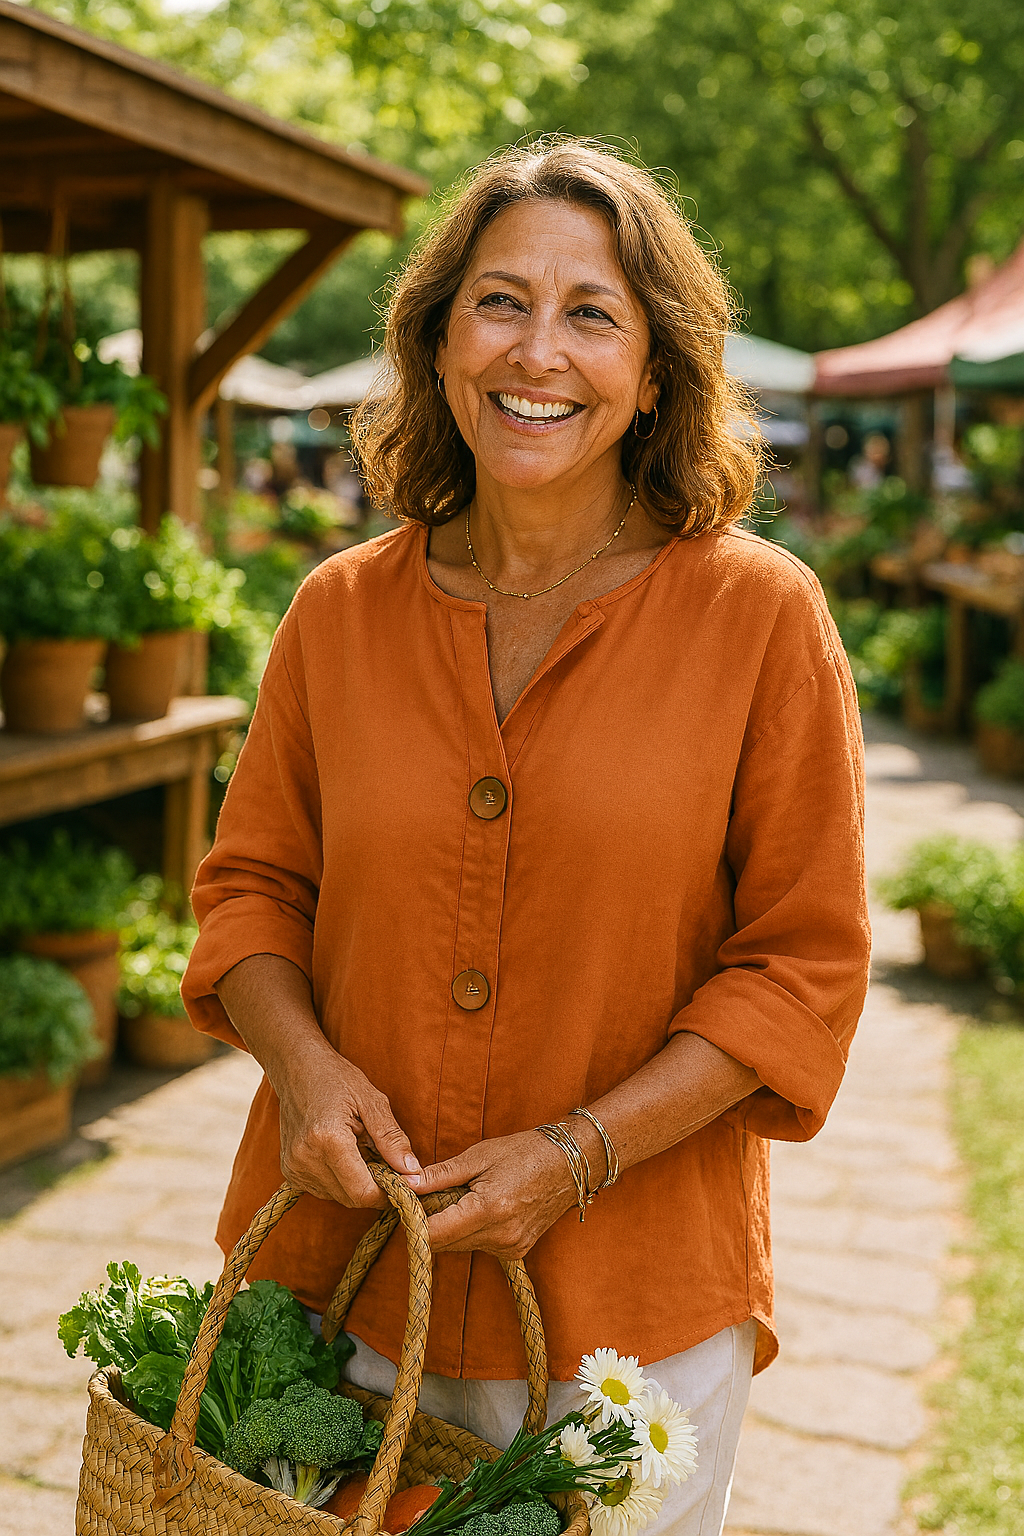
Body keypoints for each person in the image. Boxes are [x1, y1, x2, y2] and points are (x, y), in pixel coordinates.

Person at [182, 138, 870, 1536]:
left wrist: (576, 1154)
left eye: (592, 313)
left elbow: (799, 966)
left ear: (658, 373)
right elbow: (251, 889)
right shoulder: (339, 613)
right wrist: (305, 1072)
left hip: (633, 1321)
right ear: (437, 346)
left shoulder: (759, 619)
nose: (536, 351)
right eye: (497, 302)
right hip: (347, 1281)